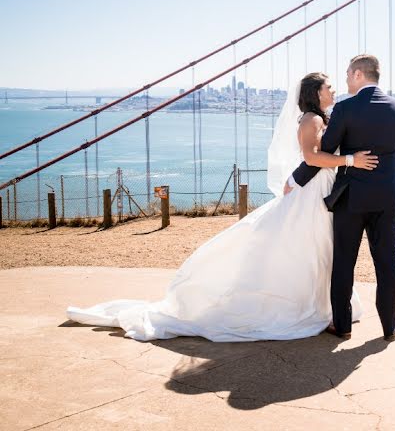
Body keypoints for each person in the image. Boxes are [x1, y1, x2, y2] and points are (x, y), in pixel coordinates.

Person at [65, 72, 374, 342]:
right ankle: (304, 306)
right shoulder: (312, 119)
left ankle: (321, 305)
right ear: (316, 93)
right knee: (307, 250)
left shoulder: (322, 118)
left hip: (316, 191)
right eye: (329, 86)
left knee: (317, 251)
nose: (334, 91)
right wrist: (350, 160)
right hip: (310, 195)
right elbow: (311, 158)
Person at [288, 54, 395, 342]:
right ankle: (391, 326)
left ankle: (341, 325)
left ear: (358, 74)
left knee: (344, 262)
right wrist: (392, 190)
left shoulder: (345, 109)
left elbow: (325, 153)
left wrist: (296, 179)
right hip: (386, 199)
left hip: (350, 198)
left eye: (347, 74)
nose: (344, 80)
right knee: (388, 262)